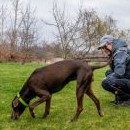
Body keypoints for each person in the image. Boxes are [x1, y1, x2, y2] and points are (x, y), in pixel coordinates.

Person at [98, 35, 130, 105]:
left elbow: (119, 72)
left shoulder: (120, 52)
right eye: (102, 48)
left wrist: (107, 79)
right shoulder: (117, 51)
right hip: (128, 77)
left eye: (104, 47)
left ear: (110, 43)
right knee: (108, 73)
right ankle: (120, 98)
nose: (104, 50)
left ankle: (127, 99)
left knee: (106, 82)